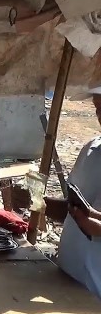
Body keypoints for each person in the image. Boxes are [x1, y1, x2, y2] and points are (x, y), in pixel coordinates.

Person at [44, 88, 101, 298]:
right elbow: (72, 209)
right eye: (98, 108)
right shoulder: (91, 149)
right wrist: (40, 204)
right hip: (67, 277)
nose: (100, 115)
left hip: (96, 291)